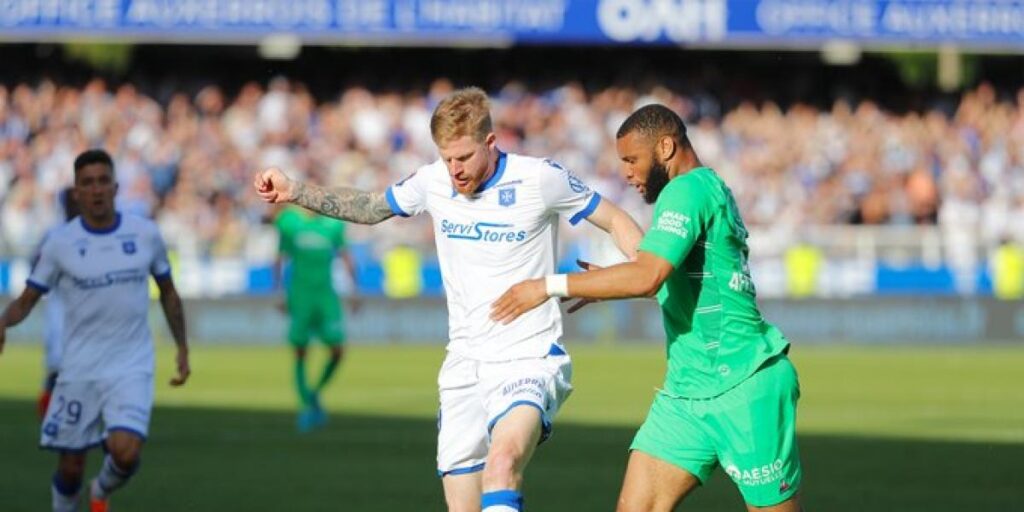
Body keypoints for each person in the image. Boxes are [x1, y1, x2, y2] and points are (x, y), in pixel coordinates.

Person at [254, 87, 643, 512]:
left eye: (463, 157)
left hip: (528, 357)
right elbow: (368, 207)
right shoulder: (432, 182)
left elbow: (616, 219)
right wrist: (295, 190)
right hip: (463, 365)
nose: (454, 170)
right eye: (446, 158)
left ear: (490, 143)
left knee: (502, 463)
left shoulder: (540, 179)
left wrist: (641, 267)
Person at [491, 104, 803, 512]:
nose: (627, 172)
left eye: (632, 160)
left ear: (667, 147)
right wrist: (608, 284)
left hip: (744, 384)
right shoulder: (705, 189)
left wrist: (546, 286)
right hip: (686, 392)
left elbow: (647, 274)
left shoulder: (685, 190)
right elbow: (682, 281)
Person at [0, 149, 191, 512]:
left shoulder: (145, 234)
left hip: (130, 364)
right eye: (88, 183)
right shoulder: (60, 244)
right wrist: (3, 321)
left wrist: (182, 346)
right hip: (79, 368)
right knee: (70, 467)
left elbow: (168, 291)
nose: (97, 189)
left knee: (127, 451)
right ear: (76, 192)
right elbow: (27, 299)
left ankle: (101, 489)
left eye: (103, 181)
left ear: (116, 187)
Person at [273, 204, 357, 432]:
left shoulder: (333, 225)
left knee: (338, 350)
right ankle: (308, 407)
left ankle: (314, 393)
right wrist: (278, 292)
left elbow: (346, 256)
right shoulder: (290, 224)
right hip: (300, 296)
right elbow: (280, 258)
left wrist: (354, 290)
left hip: (326, 296)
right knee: (300, 351)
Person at [34, 187, 80, 418]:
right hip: (62, 309)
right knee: (59, 365)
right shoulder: (54, 234)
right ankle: (52, 414)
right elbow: (37, 268)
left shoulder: (95, 232)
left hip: (92, 314)